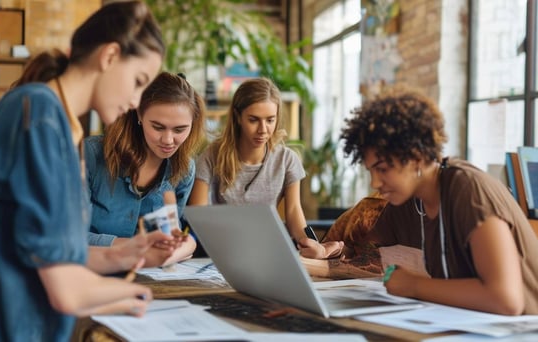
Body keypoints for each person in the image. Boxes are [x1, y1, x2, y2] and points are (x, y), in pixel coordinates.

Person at [0, 2, 181, 341]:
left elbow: (53, 250)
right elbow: (66, 290)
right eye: (139, 81)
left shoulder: (66, 128)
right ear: (110, 56)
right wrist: (141, 298)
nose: (136, 100)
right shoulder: (39, 115)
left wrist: (125, 253)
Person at [339, 85, 538, 315]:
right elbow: (365, 247)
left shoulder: (467, 188)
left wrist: (413, 286)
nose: (375, 182)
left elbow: (506, 299)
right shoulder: (412, 200)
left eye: (382, 169)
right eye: (370, 171)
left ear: (416, 156)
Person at [188, 77, 342, 259]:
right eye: (253, 120)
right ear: (238, 117)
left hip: (268, 249)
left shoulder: (287, 160)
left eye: (270, 120)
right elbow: (199, 214)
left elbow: (293, 212)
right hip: (223, 249)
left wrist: (310, 244)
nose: (263, 129)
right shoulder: (213, 155)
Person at [85, 71, 205, 266]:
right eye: (158, 127)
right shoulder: (91, 155)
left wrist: (181, 247)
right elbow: (67, 237)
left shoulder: (183, 170)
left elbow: (173, 235)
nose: (168, 140)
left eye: (179, 129)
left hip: (152, 279)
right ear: (139, 113)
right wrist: (134, 246)